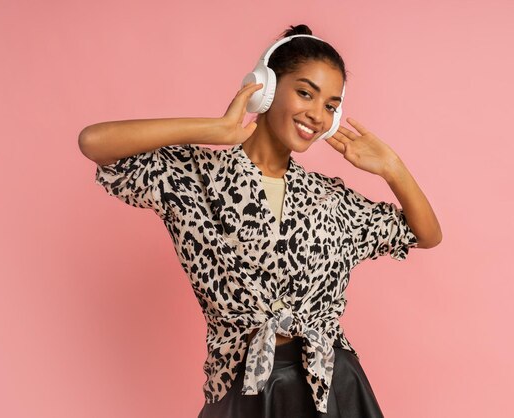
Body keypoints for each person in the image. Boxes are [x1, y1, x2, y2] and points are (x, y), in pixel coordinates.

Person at [79, 23, 441, 418]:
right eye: (305, 93)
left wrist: (392, 168)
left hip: (332, 388)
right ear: (266, 88)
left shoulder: (330, 199)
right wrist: (215, 130)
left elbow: (425, 233)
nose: (317, 115)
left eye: (331, 106)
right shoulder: (192, 177)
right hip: (245, 392)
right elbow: (93, 143)